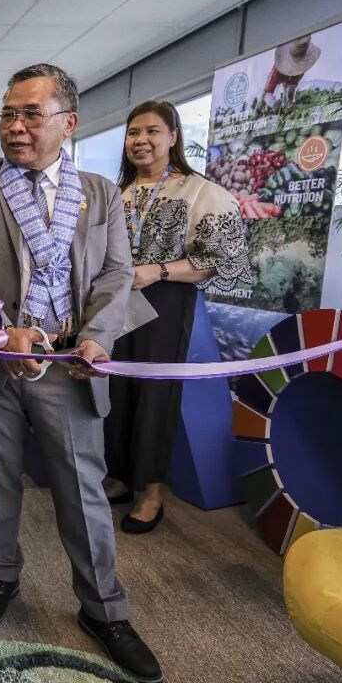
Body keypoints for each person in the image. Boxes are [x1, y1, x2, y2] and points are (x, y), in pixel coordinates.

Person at [0, 63, 162, 683]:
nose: (15, 126)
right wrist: (1, 329)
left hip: (70, 361)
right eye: (8, 114)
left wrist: (96, 336)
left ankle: (104, 609)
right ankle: (1, 574)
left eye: (31, 114)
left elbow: (117, 272)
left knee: (82, 489)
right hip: (0, 360)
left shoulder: (99, 191)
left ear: (68, 122)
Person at [103, 101, 251, 533]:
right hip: (114, 301)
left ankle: (151, 493)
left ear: (173, 137)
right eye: (133, 132)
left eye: (152, 131)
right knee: (114, 389)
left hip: (165, 300)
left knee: (155, 394)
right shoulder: (117, 192)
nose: (141, 140)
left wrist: (159, 271)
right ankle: (119, 477)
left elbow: (221, 260)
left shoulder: (200, 192)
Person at [263, 35, 321, 108]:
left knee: (288, 93)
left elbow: (293, 85)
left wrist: (290, 101)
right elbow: (268, 91)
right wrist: (274, 103)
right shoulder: (277, 70)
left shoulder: (300, 68)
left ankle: (287, 103)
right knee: (267, 98)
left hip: (288, 84)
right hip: (279, 80)